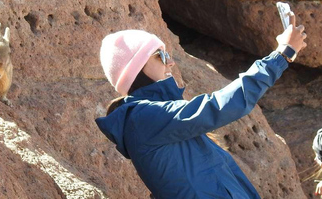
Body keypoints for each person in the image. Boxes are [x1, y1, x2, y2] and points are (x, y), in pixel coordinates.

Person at [95, 14, 307, 198]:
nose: (170, 62)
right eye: (161, 55)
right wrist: (281, 55)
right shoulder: (141, 118)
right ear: (137, 68)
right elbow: (218, 106)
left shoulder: (158, 118)